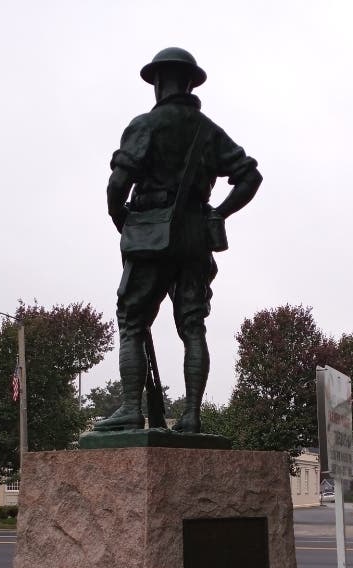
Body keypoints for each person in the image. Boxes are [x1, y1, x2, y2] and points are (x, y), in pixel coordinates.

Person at [93, 47, 262, 434]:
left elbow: (118, 184)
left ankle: (130, 408)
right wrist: (218, 212)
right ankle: (191, 416)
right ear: (189, 82)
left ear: (157, 82)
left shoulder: (145, 125)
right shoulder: (209, 131)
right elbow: (250, 176)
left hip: (150, 233)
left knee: (132, 320)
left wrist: (123, 220)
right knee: (193, 326)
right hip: (194, 239)